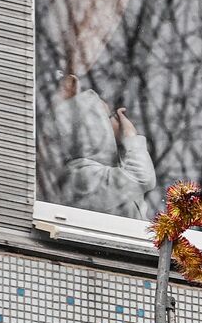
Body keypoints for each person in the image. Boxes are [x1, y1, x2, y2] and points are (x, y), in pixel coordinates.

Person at [44, 74, 157, 220]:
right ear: (95, 128)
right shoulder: (81, 177)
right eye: (110, 116)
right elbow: (141, 177)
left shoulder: (101, 172)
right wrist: (130, 137)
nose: (119, 119)